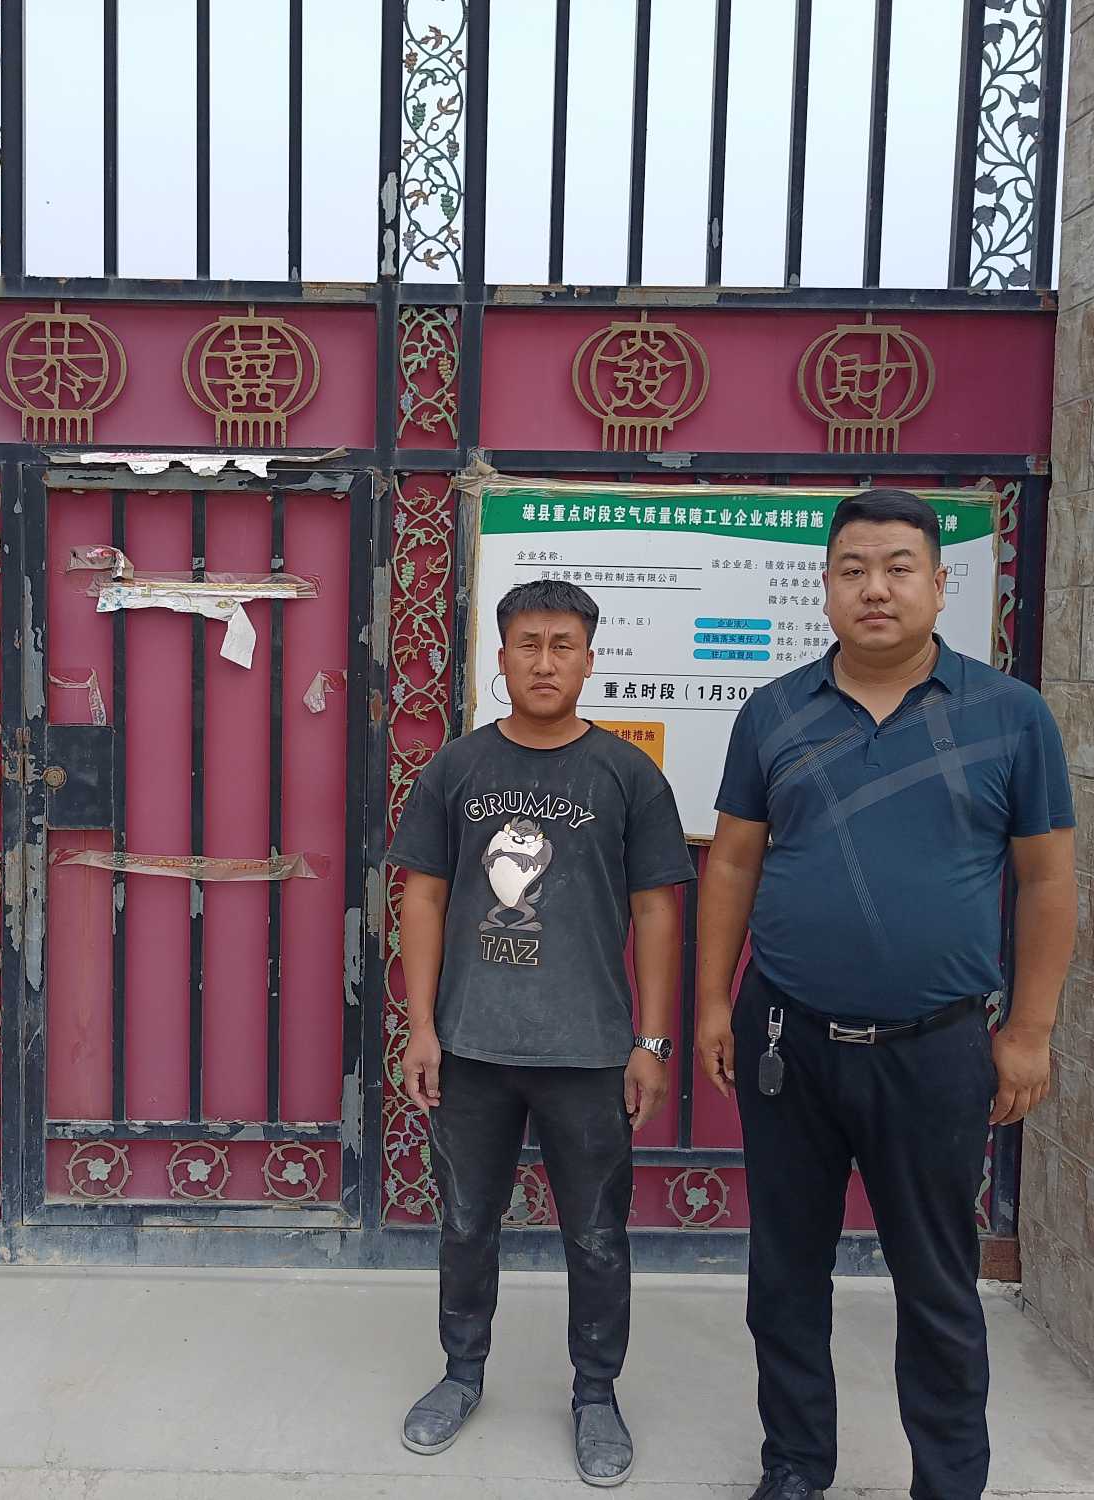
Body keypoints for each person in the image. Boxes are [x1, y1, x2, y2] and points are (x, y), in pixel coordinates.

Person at [693, 489, 1077, 1500]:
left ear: (939, 585)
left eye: (898, 568)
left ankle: (947, 1480)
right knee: (785, 1274)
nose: (875, 588)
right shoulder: (774, 712)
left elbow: (1046, 880)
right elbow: (732, 863)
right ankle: (794, 1465)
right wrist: (710, 1003)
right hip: (786, 1037)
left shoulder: (1009, 715)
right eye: (853, 569)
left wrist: (1030, 1028)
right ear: (824, 586)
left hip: (937, 1047)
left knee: (937, 1280)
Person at [387, 578, 695, 1488]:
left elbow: (658, 912)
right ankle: (461, 1373)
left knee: (596, 1234)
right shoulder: (457, 768)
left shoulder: (627, 775)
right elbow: (423, 897)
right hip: (472, 1046)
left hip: (588, 1051)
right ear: (502, 657)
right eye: (529, 644)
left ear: (590, 659)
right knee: (465, 1222)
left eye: (564, 645)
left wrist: (652, 1042)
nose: (546, 661)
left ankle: (596, 1393)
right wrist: (421, 1027)